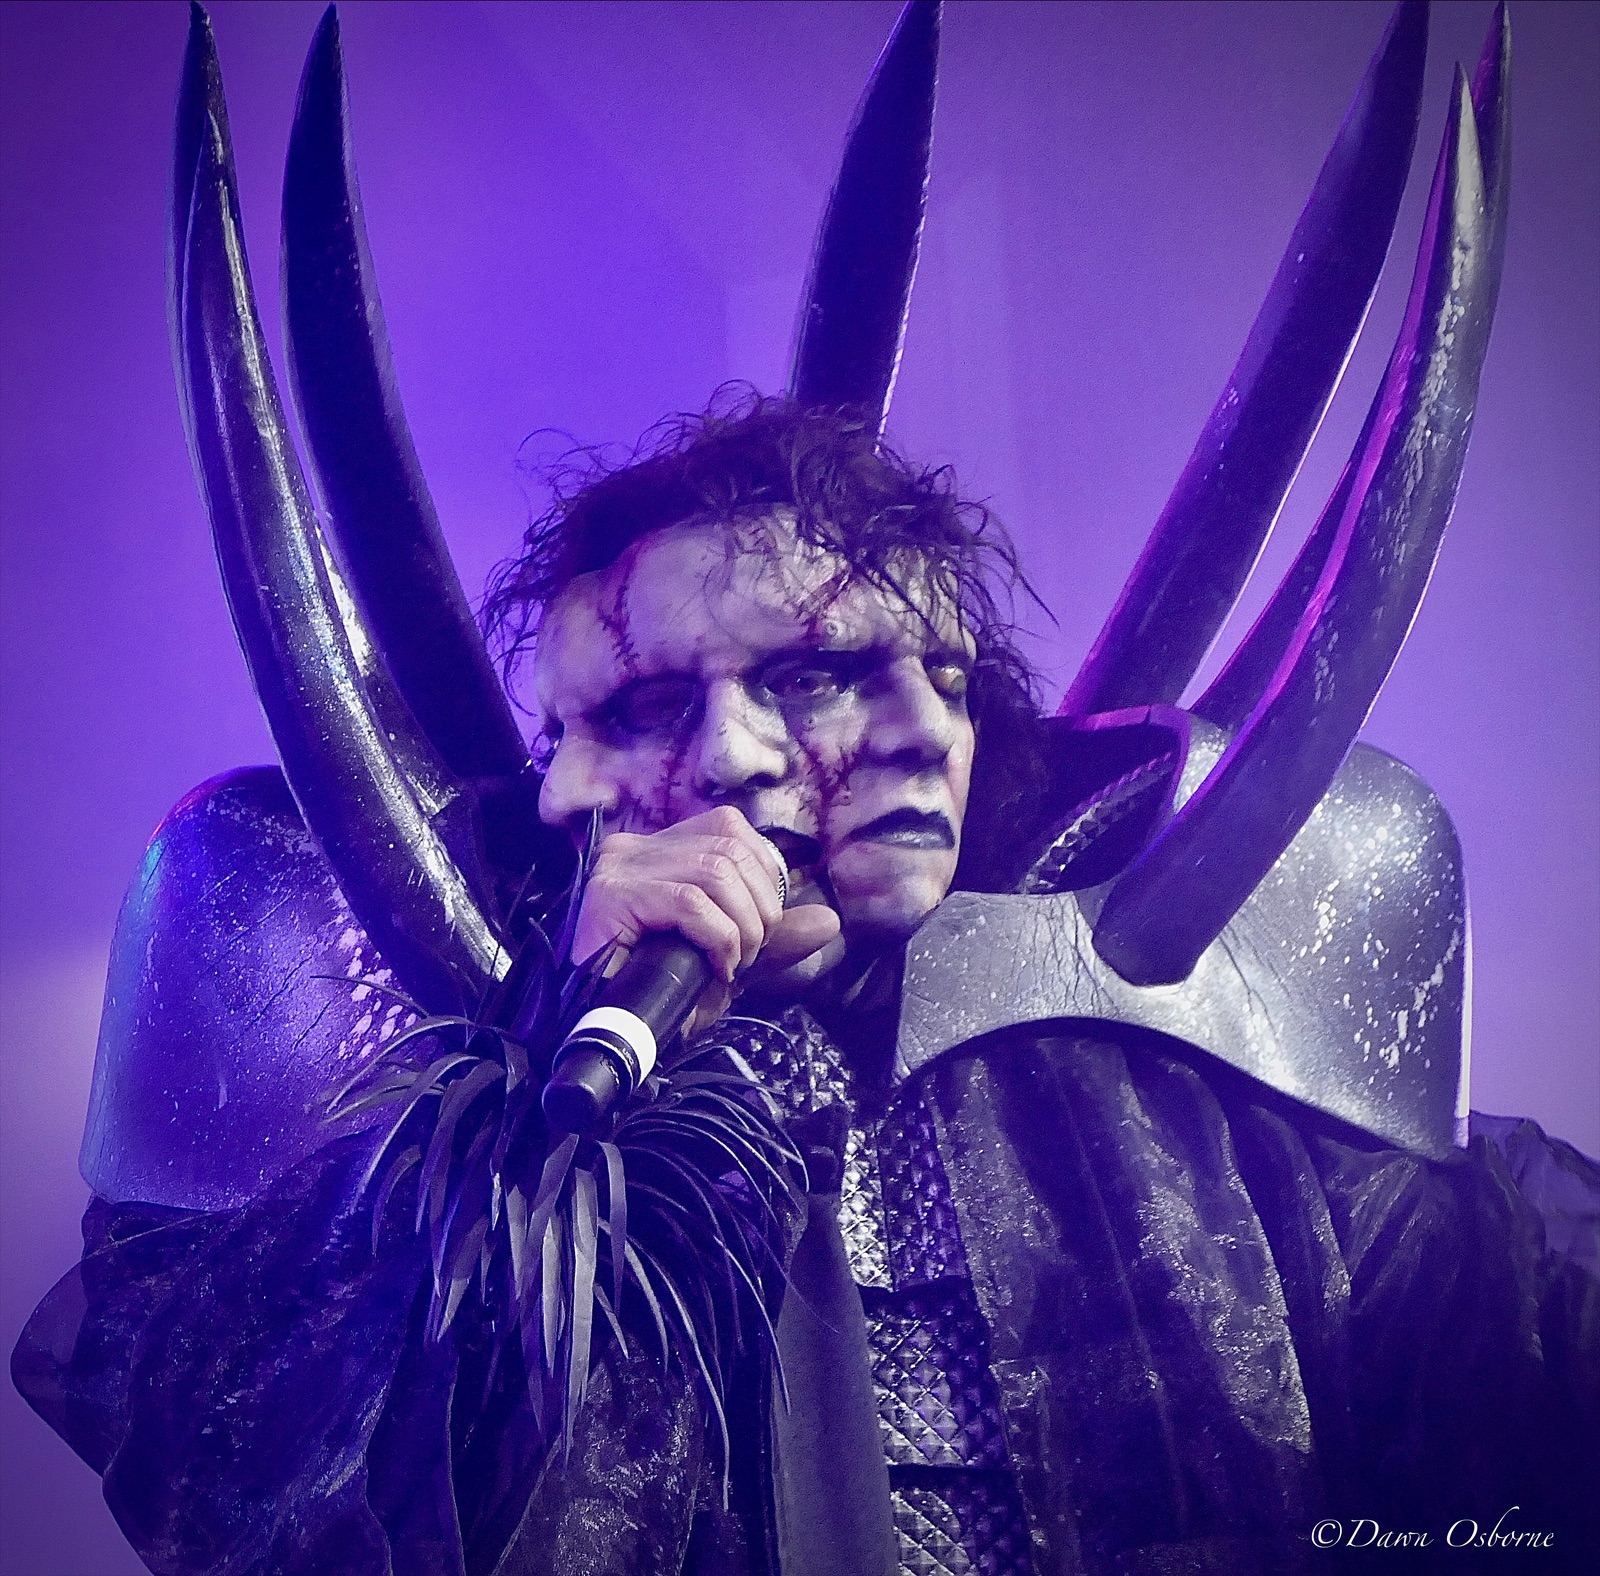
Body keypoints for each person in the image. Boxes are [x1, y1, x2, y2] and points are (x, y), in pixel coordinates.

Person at [12, 3, 1598, 1574]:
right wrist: (540, 1085)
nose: (734, 761)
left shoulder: (1201, 1105)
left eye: (814, 678)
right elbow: (251, 1473)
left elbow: (1510, 1367)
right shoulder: (426, 1099)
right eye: (650, 703)